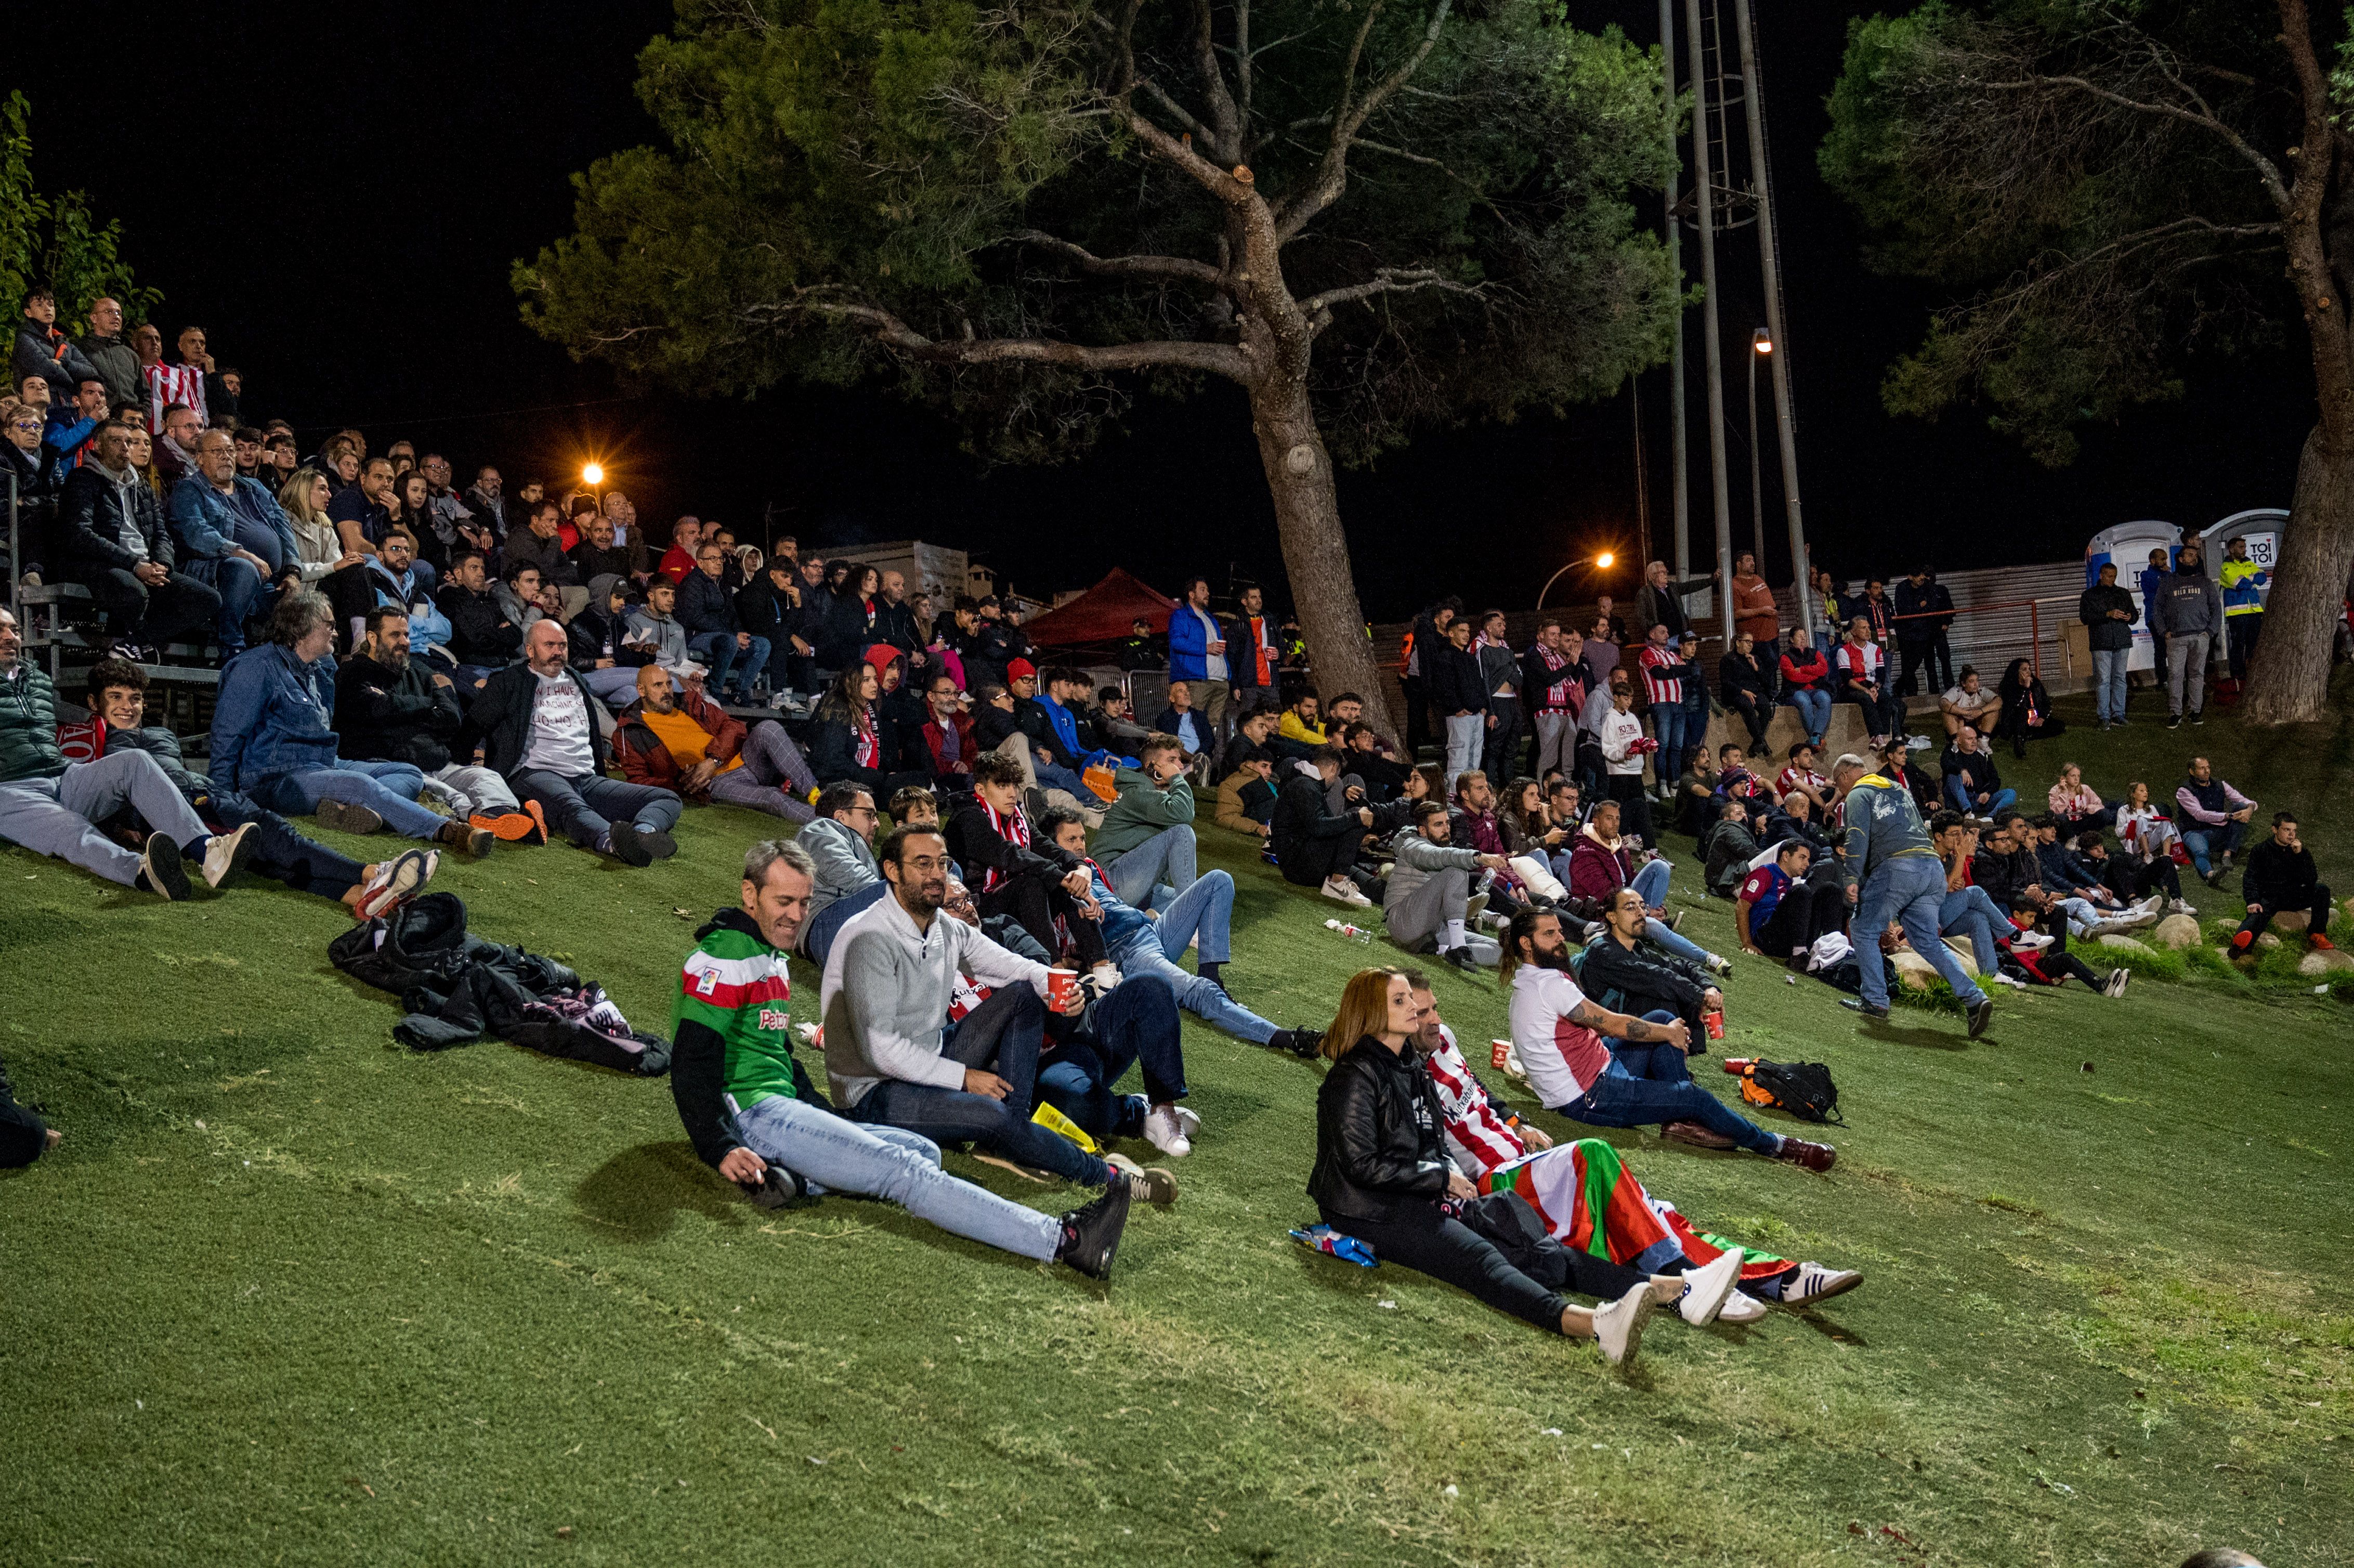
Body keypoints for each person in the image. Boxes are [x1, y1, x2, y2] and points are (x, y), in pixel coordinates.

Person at [672, 838, 1133, 1276]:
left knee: (923, 1149)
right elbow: (692, 1060)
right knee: (906, 1171)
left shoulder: (769, 955)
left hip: (793, 1103)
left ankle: (791, 1175)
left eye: (803, 903)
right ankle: (1064, 1240)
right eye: (783, 902)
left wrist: (822, 1115)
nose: (796, 916)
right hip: (764, 1112)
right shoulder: (732, 953)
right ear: (750, 895)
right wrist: (720, 1146)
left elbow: (779, 1057)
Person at [1414, 978, 1859, 1317]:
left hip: (1525, 1154)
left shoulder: (1445, 1038)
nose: (1435, 1019)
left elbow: (1482, 1093)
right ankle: (1686, 1278)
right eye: (1421, 1013)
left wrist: (1517, 1121)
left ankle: (1781, 1277)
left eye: (1435, 1007)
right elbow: (1415, 1143)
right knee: (1593, 1155)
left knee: (1650, 1215)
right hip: (1495, 1182)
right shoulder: (1401, 1071)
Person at [1309, 968, 1657, 1361]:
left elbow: (1432, 1139)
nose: (1417, 1011)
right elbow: (1360, 1166)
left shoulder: (1410, 1064)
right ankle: (1594, 1325)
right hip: (1365, 1208)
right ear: (1373, 1011)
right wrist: (1440, 1177)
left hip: (1416, 1189)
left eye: (1413, 1000)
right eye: (1401, 1001)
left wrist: (1445, 1172)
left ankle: (1660, 1288)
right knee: (1479, 1257)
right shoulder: (1354, 1075)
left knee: (1535, 1246)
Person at [821, 825, 1160, 1197]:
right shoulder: (869, 937)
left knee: (1023, 994)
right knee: (995, 1117)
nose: (936, 874)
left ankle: (1007, 1135)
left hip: (929, 1056)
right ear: (891, 870)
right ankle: (1109, 1177)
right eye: (922, 864)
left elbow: (1010, 966)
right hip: (874, 1091)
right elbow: (881, 1050)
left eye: (942, 863)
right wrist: (963, 1078)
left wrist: (1054, 983)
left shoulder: (944, 927)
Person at [69, 657, 437, 918]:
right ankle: (374, 873)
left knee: (268, 863)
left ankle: (359, 898)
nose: (127, 707)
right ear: (94, 702)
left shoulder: (159, 734)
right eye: (115, 697)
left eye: (134, 698)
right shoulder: (90, 741)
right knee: (278, 838)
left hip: (208, 796)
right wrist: (126, 823)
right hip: (192, 808)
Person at [1502, 910, 1834, 1168]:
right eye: (1550, 934)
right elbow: (1613, 1025)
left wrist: (1667, 1028)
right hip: (1588, 1097)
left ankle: (1680, 1121)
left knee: (1662, 1018)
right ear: (1526, 944)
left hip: (1597, 1070)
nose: (1561, 938)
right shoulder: (1549, 983)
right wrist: (1670, 1034)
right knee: (1693, 1093)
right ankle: (1775, 1145)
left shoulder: (1535, 977)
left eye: (1560, 930)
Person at [0, 610, 258, 898]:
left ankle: (209, 855)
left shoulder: (36, 679)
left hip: (63, 775)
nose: (10, 637)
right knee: (68, 827)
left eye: (15, 629)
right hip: (10, 789)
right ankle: (143, 872)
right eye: (0, 630)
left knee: (135, 761)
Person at [211, 594, 490, 856]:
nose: (336, 632)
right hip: (275, 779)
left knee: (409, 772)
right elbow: (227, 736)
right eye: (330, 625)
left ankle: (346, 810)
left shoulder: (320, 671)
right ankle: (448, 830)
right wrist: (223, 804)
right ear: (302, 627)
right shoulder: (256, 667)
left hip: (322, 763)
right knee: (359, 784)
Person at [462, 619, 683, 865]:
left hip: (586, 778)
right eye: (549, 645)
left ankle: (643, 834)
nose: (558, 652)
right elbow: (474, 724)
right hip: (535, 773)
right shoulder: (509, 681)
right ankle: (612, 843)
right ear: (530, 650)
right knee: (573, 807)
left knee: (667, 799)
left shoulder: (575, 678)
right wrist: (456, 766)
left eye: (563, 645)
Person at [1832, 751, 1994, 1033]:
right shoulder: (1898, 788)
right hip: (1931, 868)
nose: (1840, 790)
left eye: (1838, 784)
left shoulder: (1859, 795)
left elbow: (1857, 837)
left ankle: (1875, 1001)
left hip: (1898, 868)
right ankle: (1973, 997)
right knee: (1928, 941)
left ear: (1845, 776)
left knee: (1862, 928)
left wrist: (1851, 876)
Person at [335, 606, 534, 837]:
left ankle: (504, 815)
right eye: (395, 635)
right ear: (372, 638)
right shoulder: (354, 672)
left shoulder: (418, 672)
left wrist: (402, 708)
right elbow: (378, 712)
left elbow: (451, 718)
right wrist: (426, 706)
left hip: (436, 760)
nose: (404, 642)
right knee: (448, 793)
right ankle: (475, 819)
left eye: (407, 635)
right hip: (396, 765)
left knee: (486, 777)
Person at [55, 422, 220, 659]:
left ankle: (137, 642)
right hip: (101, 564)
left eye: (129, 442)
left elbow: (161, 534)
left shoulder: (142, 486)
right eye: (116, 441)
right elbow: (80, 535)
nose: (125, 447)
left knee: (208, 599)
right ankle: (135, 647)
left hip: (145, 566)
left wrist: (163, 564)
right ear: (98, 445)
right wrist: (134, 565)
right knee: (135, 591)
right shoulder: (83, 479)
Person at [945, 750, 1113, 970]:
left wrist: (1080, 868)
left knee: (1063, 887)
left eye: (1015, 786)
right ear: (981, 790)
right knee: (1033, 883)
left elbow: (1048, 848)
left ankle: (1103, 971)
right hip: (976, 906)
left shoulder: (1018, 818)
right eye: (1002, 786)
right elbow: (1009, 854)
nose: (1012, 794)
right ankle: (1056, 972)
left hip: (1015, 900)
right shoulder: (968, 817)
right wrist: (1063, 878)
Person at [610, 664, 819, 823]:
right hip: (717, 783)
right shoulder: (628, 733)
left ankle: (816, 795)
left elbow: (733, 726)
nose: (667, 690)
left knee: (768, 728)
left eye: (668, 683)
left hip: (745, 759)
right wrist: (681, 784)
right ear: (641, 690)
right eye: (658, 685)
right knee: (772, 798)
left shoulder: (689, 702)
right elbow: (638, 781)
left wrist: (713, 760)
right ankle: (828, 820)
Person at [1579, 886, 1725, 1049]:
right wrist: (1701, 997)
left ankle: (1675, 1061)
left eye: (1643, 907)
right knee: (1663, 997)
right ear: (1612, 916)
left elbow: (1683, 966)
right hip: (1599, 1040)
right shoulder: (1603, 952)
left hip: (1625, 1032)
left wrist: (1709, 988)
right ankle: (1674, 1065)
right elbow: (1657, 978)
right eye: (1631, 908)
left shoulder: (1637, 949)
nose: (1640, 912)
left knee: (1669, 993)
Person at [1383, 800, 1509, 972]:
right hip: (1403, 922)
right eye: (1438, 824)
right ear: (1423, 831)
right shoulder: (1413, 844)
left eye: (1447, 823)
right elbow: (1438, 856)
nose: (1446, 829)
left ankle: (1443, 950)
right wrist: (1479, 857)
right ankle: (1458, 948)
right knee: (1456, 871)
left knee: (1501, 951)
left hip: (1434, 929)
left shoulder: (1442, 847)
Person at [1091, 734, 1197, 910]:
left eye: (1180, 760)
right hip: (1110, 883)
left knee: (1206, 898)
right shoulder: (1138, 792)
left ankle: (1178, 916)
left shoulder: (1153, 793)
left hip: (1138, 887)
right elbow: (1185, 814)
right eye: (1172, 760)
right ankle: (1188, 913)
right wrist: (1177, 779)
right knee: (1183, 833)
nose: (1179, 766)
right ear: (1151, 768)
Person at [1271, 744, 1376, 907]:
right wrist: (1355, 817)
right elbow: (1319, 827)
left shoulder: (1306, 784)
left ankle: (1344, 882)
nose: (1336, 781)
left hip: (1302, 861)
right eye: (1338, 775)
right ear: (1334, 768)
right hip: (1299, 867)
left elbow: (1326, 824)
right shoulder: (1304, 786)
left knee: (1369, 884)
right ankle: (1337, 884)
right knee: (1358, 815)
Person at [797, 784, 887, 966]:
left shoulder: (852, 842)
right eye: (869, 815)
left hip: (847, 922)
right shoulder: (820, 829)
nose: (877, 823)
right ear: (841, 817)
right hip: (824, 922)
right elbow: (852, 876)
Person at [679, 540, 769, 704]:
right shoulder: (692, 583)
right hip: (696, 635)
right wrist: (732, 635)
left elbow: (733, 616)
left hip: (723, 635)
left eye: (720, 559)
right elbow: (697, 618)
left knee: (763, 645)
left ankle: (740, 692)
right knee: (729, 642)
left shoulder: (723, 585)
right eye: (713, 559)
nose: (719, 562)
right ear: (700, 563)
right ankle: (715, 690)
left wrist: (741, 635)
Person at [2232, 812, 2333, 953]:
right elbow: (2250, 878)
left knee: (2322, 890)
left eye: (2294, 831)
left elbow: (2311, 880)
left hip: (2293, 896)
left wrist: (2300, 856)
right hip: (2269, 896)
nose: (2292, 835)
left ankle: (2317, 933)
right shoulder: (2261, 850)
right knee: (2258, 914)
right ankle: (2239, 946)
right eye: (2287, 830)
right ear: (2275, 829)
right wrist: (2252, 900)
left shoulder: (2300, 852)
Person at [1735, 839, 1846, 962]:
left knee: (1831, 889)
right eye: (1802, 858)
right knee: (1802, 891)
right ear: (1786, 856)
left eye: (1808, 859)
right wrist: (1747, 943)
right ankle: (1799, 955)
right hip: (1766, 938)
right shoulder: (1765, 873)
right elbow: (1742, 906)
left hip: (1789, 940)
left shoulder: (1790, 882)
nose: (1807, 864)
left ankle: (1832, 952)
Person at [2151, 538, 2221, 727]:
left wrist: (2210, 631)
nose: (2194, 558)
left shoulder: (2205, 582)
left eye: (2196, 556)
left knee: (2197, 674)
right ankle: (2175, 712)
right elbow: (2157, 608)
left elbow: (2216, 607)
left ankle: (2195, 711)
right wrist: (2163, 630)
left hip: (2200, 636)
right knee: (2175, 675)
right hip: (2176, 638)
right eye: (2190, 555)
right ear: (2180, 560)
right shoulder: (2168, 582)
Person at [1521, 619, 1588, 779]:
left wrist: (1575, 661)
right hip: (1547, 711)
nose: (1557, 638)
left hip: (1565, 710)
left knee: (1567, 759)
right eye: (1553, 634)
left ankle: (1567, 790)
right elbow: (1549, 678)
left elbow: (1573, 679)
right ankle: (1544, 794)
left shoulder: (1556, 655)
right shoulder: (1534, 654)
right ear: (1541, 636)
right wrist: (1572, 664)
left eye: (1558, 634)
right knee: (1549, 758)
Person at [2174, 755, 2255, 885]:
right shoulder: (2184, 791)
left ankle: (2227, 855)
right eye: (2202, 769)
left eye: (2208, 768)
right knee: (2201, 852)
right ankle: (2210, 875)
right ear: (2192, 771)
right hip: (2195, 831)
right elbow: (2199, 814)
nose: (2207, 772)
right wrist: (2227, 816)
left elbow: (2244, 800)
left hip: (2217, 830)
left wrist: (2250, 809)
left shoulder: (2220, 785)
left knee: (2242, 807)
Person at [1428, 616, 1488, 789]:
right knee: (1458, 759)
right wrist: (1457, 708)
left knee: (1474, 759)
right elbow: (1444, 687)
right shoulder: (1445, 657)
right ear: (1451, 633)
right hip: (1460, 716)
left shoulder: (1469, 658)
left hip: (1476, 715)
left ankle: (1472, 795)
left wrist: (1483, 707)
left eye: (1468, 631)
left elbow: (1479, 683)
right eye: (1462, 631)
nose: (1467, 634)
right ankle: (1455, 797)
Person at [1166, 576, 1230, 731]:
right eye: (1203, 590)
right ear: (1191, 594)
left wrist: (1229, 674)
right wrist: (1206, 648)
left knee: (1210, 728)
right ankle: (1191, 755)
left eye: (1208, 590)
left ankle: (1206, 755)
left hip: (1220, 681)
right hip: (1198, 680)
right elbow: (1177, 642)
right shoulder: (1181, 616)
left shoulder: (1211, 618)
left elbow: (1219, 646)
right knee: (1193, 725)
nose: (1207, 593)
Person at [2079, 562, 2137, 728]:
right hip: (2101, 642)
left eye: (2114, 576)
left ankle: (2118, 714)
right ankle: (2104, 716)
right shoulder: (2089, 595)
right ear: (2101, 575)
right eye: (2109, 576)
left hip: (2121, 640)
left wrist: (2130, 617)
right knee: (2104, 680)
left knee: (2119, 679)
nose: (2112, 579)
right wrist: (2108, 614)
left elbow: (2133, 615)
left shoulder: (2123, 593)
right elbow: (2085, 618)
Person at [1834, 617, 1901, 748]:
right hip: (1852, 688)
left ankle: (1885, 735)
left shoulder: (1875, 649)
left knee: (1885, 698)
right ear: (1853, 631)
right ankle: (1875, 736)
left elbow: (1881, 674)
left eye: (1869, 628)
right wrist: (1866, 691)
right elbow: (1847, 679)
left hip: (1870, 685)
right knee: (1866, 698)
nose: (1868, 631)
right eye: (1863, 628)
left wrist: (1875, 687)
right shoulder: (1844, 651)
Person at [1891, 565, 1956, 696]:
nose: (1922, 578)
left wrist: (1944, 621)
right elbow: (1902, 610)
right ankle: (1913, 691)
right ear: (1910, 577)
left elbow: (1933, 606)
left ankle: (1947, 688)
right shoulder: (1902, 588)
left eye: (1923, 575)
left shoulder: (1931, 587)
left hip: (1927, 631)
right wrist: (1919, 606)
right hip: (1908, 633)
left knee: (1936, 659)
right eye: (1919, 575)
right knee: (1911, 663)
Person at [2218, 535, 2270, 685]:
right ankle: (2237, 674)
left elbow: (2263, 578)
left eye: (2244, 547)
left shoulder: (2248, 563)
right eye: (2241, 547)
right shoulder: (2226, 567)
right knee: (2238, 644)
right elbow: (2241, 584)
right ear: (2232, 549)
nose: (2244, 550)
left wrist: (2248, 578)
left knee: (2254, 644)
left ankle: (2251, 671)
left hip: (2254, 611)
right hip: (2237, 613)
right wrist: (2250, 578)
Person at [1992, 657, 2062, 758]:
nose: (2028, 672)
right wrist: (2025, 688)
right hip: (2017, 721)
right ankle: (2019, 743)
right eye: (2024, 669)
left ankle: (2026, 736)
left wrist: (2042, 718)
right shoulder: (2010, 687)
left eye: (2029, 668)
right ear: (2017, 672)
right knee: (2022, 713)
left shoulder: (2036, 684)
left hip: (2034, 719)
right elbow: (2016, 706)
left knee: (2059, 726)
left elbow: (2046, 703)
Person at [1777, 625, 1832, 750]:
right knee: (1804, 702)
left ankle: (1815, 736)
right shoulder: (1786, 657)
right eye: (1799, 636)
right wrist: (1814, 674)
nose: (1803, 639)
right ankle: (1816, 739)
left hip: (1815, 689)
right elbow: (1793, 676)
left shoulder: (1814, 653)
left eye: (1805, 636)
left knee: (1825, 699)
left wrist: (1803, 669)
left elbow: (1824, 669)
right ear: (1791, 639)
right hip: (1796, 690)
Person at [1940, 725, 2013, 815]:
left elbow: (1995, 780)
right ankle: (1967, 811)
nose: (1974, 742)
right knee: (1953, 775)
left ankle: (1990, 818)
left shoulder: (1983, 756)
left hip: (1979, 798)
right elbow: (1946, 764)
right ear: (1959, 741)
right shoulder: (1951, 752)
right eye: (1970, 739)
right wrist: (1962, 770)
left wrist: (1988, 793)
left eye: (1975, 738)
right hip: (1959, 799)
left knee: (2010, 793)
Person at [1214, 743, 1279, 838]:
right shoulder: (1232, 785)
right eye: (1264, 766)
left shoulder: (1273, 781)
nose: (1269, 771)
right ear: (1250, 765)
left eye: (1270, 767)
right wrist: (1256, 827)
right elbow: (1224, 817)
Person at [1150, 679, 1214, 768]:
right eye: (1181, 691)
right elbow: (1170, 744)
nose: (1187, 694)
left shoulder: (1199, 715)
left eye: (1187, 691)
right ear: (1172, 699)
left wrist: (1199, 757)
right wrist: (1192, 759)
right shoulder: (1165, 718)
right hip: (1179, 761)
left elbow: (1210, 740)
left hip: (1202, 758)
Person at [1939, 665, 2000, 746]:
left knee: (1994, 711)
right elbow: (1943, 703)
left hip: (1978, 726)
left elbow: (1999, 701)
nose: (1976, 684)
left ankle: (1984, 740)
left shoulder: (1981, 691)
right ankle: (1956, 741)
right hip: (1962, 726)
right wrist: (1965, 713)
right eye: (1972, 681)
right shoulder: (1957, 691)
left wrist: (1981, 711)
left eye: (1977, 681)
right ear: (1964, 684)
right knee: (1946, 713)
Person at [2047, 762, 2108, 839]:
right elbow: (2056, 812)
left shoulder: (2085, 789)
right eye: (2073, 776)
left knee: (2105, 813)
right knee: (2060, 817)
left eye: (2078, 776)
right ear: (2063, 778)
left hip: (2082, 822)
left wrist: (2088, 808)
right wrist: (2064, 793)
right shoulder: (2055, 790)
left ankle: (2087, 836)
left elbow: (2100, 805)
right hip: (2066, 825)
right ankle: (2073, 839)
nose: (2076, 779)